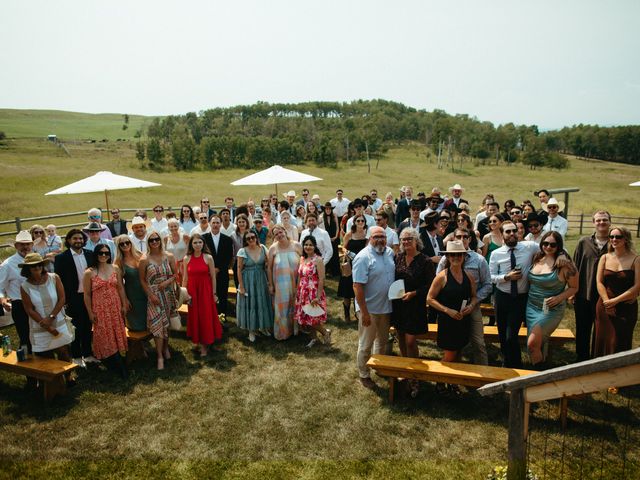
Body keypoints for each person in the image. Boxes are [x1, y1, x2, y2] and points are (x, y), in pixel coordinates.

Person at [436, 228, 492, 366]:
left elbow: (488, 285)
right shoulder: (445, 259)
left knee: (478, 343)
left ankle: (482, 376)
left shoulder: (479, 260)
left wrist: (473, 304)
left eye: (465, 236)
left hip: (472, 307)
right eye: (458, 236)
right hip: (450, 310)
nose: (462, 239)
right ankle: (454, 377)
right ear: (454, 238)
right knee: (455, 346)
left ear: (470, 239)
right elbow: (438, 282)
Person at [428, 241, 477, 393]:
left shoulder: (468, 276)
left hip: (463, 320)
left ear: (463, 256)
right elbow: (429, 299)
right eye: (452, 255)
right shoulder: (442, 277)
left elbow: (474, 297)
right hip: (448, 321)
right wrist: (447, 310)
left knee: (459, 352)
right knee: (450, 354)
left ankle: (452, 381)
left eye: (459, 254)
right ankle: (439, 380)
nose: (456, 257)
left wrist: (471, 306)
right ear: (448, 257)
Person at [489, 222, 539, 368]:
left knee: (511, 336)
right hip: (502, 296)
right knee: (502, 334)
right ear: (502, 235)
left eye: (514, 231)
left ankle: (516, 365)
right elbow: (491, 277)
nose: (512, 234)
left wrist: (561, 255)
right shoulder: (496, 254)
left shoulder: (529, 247)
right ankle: (506, 362)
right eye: (508, 232)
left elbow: (551, 245)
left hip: (520, 298)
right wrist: (506, 277)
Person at [392, 227, 435, 397]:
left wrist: (414, 293)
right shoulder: (398, 258)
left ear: (416, 240)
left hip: (415, 304)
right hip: (399, 304)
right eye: (403, 239)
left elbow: (430, 285)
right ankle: (405, 367)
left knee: (411, 340)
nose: (405, 242)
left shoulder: (425, 261)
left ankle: (415, 376)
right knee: (400, 335)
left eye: (409, 239)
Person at [525, 231, 578, 366]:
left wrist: (559, 298)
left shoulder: (565, 264)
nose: (548, 247)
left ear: (559, 246)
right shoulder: (536, 257)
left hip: (550, 309)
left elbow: (574, 287)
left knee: (532, 344)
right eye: (545, 243)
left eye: (553, 245)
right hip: (531, 307)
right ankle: (536, 370)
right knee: (534, 345)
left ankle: (540, 376)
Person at [353, 226, 396, 389]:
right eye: (376, 236)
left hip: (386, 307)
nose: (380, 239)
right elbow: (357, 286)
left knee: (382, 341)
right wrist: (363, 312)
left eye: (383, 236)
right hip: (369, 309)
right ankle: (364, 374)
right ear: (370, 238)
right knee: (366, 344)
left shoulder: (390, 252)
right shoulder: (363, 257)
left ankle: (379, 366)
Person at [19, 253, 73, 373]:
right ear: (27, 268)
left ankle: (68, 376)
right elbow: (29, 309)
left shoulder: (54, 278)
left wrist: (51, 317)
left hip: (58, 321)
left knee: (63, 352)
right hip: (40, 326)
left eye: (39, 264)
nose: (37, 267)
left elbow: (62, 298)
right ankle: (53, 383)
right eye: (33, 266)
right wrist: (47, 325)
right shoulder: (24, 286)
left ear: (43, 265)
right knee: (45, 357)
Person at [82, 244, 128, 378]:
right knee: (104, 333)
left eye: (106, 253)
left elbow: (120, 288)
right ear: (95, 254)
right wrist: (90, 312)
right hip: (100, 309)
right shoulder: (89, 272)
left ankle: (117, 359)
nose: (103, 256)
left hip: (115, 306)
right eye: (100, 253)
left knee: (116, 331)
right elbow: (86, 294)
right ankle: (114, 362)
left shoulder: (115, 268)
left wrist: (124, 304)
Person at [594, 226, 640, 356]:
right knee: (603, 340)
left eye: (618, 237)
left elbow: (637, 286)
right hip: (604, 305)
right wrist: (606, 301)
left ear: (626, 239)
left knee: (619, 342)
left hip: (626, 306)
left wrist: (615, 301)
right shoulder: (605, 257)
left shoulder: (636, 259)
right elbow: (599, 282)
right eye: (611, 237)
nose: (614, 239)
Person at [572, 210, 611, 361]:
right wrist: (572, 291)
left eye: (605, 220)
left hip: (605, 296)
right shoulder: (584, 242)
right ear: (593, 222)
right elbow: (574, 267)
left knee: (601, 330)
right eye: (599, 220)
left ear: (609, 222)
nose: (602, 223)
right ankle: (581, 360)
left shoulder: (615, 243)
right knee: (582, 329)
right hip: (583, 294)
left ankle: (597, 360)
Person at [54, 229, 96, 367]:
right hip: (73, 298)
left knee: (88, 326)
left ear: (84, 240)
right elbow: (58, 280)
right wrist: (64, 299)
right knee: (76, 327)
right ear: (69, 241)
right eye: (75, 238)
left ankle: (88, 353)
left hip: (90, 296)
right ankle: (77, 356)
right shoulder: (62, 258)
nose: (78, 241)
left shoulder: (90, 255)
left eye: (80, 238)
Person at [139, 232, 178, 370]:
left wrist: (167, 282)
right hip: (154, 296)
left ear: (160, 241)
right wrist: (151, 295)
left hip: (168, 294)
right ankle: (159, 356)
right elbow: (142, 280)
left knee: (166, 324)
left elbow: (175, 274)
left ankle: (166, 348)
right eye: (151, 240)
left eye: (156, 239)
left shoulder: (169, 256)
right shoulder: (144, 259)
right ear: (148, 242)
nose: (154, 242)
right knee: (157, 326)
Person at [182, 234, 221, 356]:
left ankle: (206, 344)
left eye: (200, 242)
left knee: (205, 316)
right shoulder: (186, 258)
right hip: (192, 292)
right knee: (195, 316)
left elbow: (213, 277)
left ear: (203, 244)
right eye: (195, 243)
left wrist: (214, 294)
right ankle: (198, 340)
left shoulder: (208, 257)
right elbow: (185, 278)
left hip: (205, 291)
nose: (197, 245)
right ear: (191, 245)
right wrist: (184, 294)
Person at [294, 235, 331, 347]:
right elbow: (300, 276)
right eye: (306, 244)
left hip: (313, 292)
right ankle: (313, 338)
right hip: (303, 292)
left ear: (315, 246)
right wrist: (297, 291)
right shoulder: (302, 259)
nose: (308, 247)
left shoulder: (318, 260)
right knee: (306, 316)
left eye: (310, 245)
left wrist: (318, 296)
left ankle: (325, 332)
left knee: (313, 318)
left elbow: (321, 279)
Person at [0, 231, 34, 351]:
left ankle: (44, 363)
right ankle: (27, 365)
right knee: (25, 336)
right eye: (21, 244)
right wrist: (3, 300)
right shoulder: (7, 265)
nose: (25, 247)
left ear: (32, 245)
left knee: (40, 335)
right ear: (16, 246)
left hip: (39, 302)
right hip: (20, 304)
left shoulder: (36, 259)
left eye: (28, 244)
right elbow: (0, 287)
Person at [237, 230, 273, 342]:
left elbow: (268, 266)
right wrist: (241, 287)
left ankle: (263, 327)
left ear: (256, 237)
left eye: (253, 237)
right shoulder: (242, 251)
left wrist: (270, 282)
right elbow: (239, 269)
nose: (251, 240)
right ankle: (251, 330)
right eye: (248, 238)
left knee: (262, 303)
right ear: (245, 241)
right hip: (248, 280)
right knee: (250, 304)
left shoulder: (263, 248)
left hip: (261, 279)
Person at [267, 225, 301, 340]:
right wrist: (271, 284)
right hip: (280, 285)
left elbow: (304, 262)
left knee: (296, 305)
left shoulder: (296, 245)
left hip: (297, 281)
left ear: (285, 231)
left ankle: (297, 330)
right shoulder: (273, 248)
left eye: (280, 232)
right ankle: (283, 332)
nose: (279, 235)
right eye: (276, 234)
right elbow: (269, 268)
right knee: (282, 308)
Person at [114, 235, 147, 332]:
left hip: (146, 292)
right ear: (118, 246)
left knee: (149, 320)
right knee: (136, 325)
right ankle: (137, 345)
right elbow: (119, 285)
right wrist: (125, 300)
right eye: (122, 244)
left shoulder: (140, 255)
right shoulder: (119, 262)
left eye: (127, 242)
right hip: (132, 295)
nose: (125, 245)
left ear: (131, 243)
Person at [338, 214, 368, 321]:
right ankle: (347, 315)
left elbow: (367, 250)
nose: (360, 223)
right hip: (349, 265)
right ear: (354, 222)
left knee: (359, 290)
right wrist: (349, 254)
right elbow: (342, 248)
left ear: (365, 223)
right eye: (358, 221)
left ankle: (357, 313)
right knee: (347, 291)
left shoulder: (367, 236)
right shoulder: (349, 235)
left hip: (361, 266)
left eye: (362, 221)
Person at [202, 215, 234, 317]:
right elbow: (202, 255)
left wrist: (218, 268)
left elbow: (228, 256)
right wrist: (211, 269)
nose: (215, 225)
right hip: (207, 273)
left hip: (222, 272)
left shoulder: (227, 239)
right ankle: (209, 318)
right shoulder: (203, 238)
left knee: (222, 295)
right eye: (213, 223)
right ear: (209, 223)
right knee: (208, 296)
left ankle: (222, 318)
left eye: (217, 223)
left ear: (221, 224)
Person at [164, 218, 190, 287]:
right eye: (171, 226)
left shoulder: (185, 237)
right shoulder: (166, 239)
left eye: (175, 226)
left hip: (184, 266)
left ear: (178, 226)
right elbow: (164, 253)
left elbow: (191, 250)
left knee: (185, 287)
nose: (173, 228)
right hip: (170, 267)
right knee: (173, 287)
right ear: (168, 227)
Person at [319, 201, 340, 276]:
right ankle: (327, 270)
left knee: (334, 254)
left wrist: (336, 236)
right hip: (326, 239)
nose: (328, 210)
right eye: (326, 209)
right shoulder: (321, 217)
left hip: (334, 237)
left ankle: (335, 271)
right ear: (324, 209)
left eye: (329, 209)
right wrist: (327, 239)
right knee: (327, 253)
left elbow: (338, 227)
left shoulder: (334, 215)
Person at [230, 214, 251, 287]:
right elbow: (232, 250)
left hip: (250, 261)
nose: (241, 224)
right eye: (239, 222)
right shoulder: (233, 235)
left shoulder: (251, 233)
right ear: (237, 223)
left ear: (247, 223)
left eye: (243, 222)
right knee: (238, 284)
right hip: (237, 262)